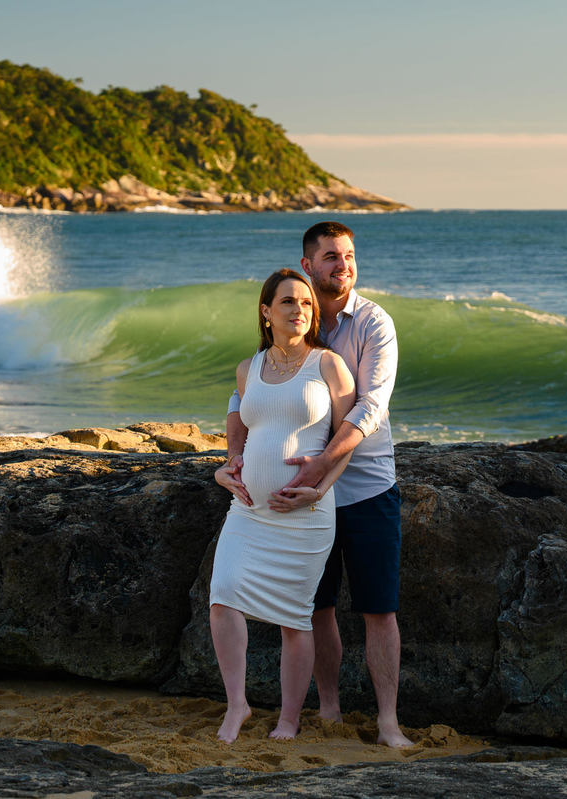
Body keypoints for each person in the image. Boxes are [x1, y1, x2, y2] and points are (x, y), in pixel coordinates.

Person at [216, 221, 413, 747]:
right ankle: (327, 710)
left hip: (366, 487)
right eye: (330, 256)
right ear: (308, 265)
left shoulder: (373, 323)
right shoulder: (294, 317)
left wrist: (322, 467)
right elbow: (243, 400)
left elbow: (371, 406)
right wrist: (233, 458)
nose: (342, 265)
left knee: (379, 609)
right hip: (293, 505)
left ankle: (388, 722)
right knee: (314, 609)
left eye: (348, 255)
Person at [209, 268, 356, 743]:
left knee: (295, 617)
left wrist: (321, 487)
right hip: (248, 511)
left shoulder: (328, 365)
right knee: (222, 598)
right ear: (266, 311)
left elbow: (348, 439)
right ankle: (237, 705)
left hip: (305, 515)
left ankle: (289, 719)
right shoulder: (248, 368)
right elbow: (241, 429)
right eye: (289, 302)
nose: (300, 310)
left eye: (307, 303)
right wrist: (228, 466)